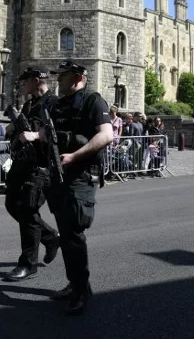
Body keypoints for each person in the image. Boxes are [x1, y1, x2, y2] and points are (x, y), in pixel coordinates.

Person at [44, 59, 113, 316]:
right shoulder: (59, 105)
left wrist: (75, 156)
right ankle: (76, 282)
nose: (58, 80)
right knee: (64, 232)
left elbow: (106, 135)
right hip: (59, 174)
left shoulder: (93, 101)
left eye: (62, 76)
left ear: (77, 77)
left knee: (73, 233)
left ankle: (81, 291)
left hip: (81, 175)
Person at [3, 67, 60, 283]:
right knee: (12, 204)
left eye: (25, 81)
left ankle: (28, 264)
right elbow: (22, 131)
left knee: (27, 210)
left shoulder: (53, 103)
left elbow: (58, 132)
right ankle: (50, 237)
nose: (22, 85)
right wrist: (13, 130)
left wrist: (36, 135)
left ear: (36, 80)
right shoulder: (29, 104)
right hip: (22, 163)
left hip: (41, 165)